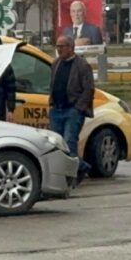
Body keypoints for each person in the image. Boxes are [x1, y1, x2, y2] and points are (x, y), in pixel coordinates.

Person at [50, 35, 96, 184]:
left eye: (61, 46)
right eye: (57, 46)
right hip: (57, 110)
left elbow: (88, 89)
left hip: (72, 111)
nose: (59, 49)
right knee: (57, 145)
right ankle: (80, 167)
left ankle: (73, 175)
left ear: (70, 47)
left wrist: (79, 108)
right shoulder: (55, 64)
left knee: (70, 143)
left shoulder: (82, 65)